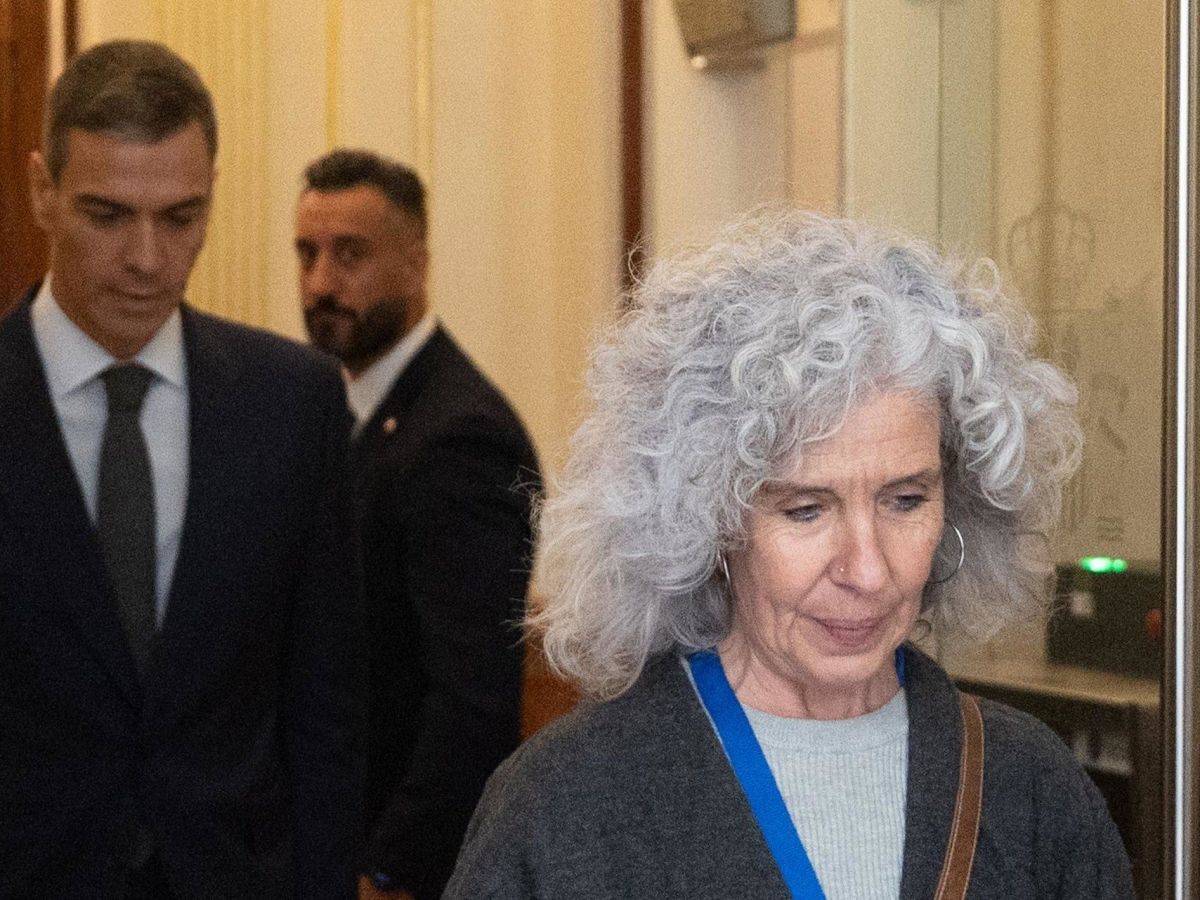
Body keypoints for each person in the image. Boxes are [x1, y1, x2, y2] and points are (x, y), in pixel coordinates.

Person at [445, 211, 1135, 899]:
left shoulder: (1030, 793)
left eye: (905, 501)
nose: (868, 571)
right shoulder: (566, 806)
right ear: (708, 521)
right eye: (806, 510)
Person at [0, 41, 365, 898]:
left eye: (180, 217)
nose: (147, 258)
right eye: (107, 215)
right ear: (42, 190)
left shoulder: (292, 405)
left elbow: (326, 709)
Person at [294, 149, 540, 900]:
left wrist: (389, 869)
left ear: (417, 263)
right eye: (306, 253)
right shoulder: (327, 408)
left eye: (351, 255)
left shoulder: (458, 435)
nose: (321, 283)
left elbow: (472, 700)